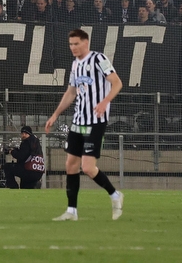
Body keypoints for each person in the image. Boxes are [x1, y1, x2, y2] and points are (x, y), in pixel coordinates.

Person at [44, 28, 124, 221]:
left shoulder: (98, 59)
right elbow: (71, 92)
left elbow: (117, 83)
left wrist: (105, 102)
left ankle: (115, 195)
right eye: (71, 44)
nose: (73, 47)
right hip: (78, 121)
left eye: (76, 43)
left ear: (86, 43)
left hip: (95, 122)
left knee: (87, 168)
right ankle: (72, 211)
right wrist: (55, 114)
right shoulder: (75, 65)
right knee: (70, 165)